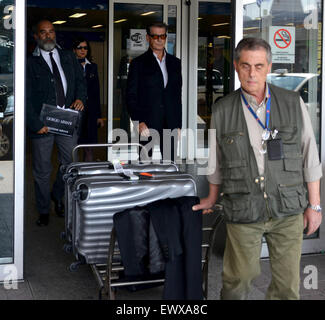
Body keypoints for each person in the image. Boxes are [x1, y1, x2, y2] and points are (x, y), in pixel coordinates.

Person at [193, 37, 322, 300]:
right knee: (237, 282)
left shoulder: (291, 102)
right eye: (246, 66)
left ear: (269, 66)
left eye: (259, 66)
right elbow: (216, 160)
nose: (252, 73)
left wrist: (315, 205)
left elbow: (310, 154)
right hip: (244, 205)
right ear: (237, 67)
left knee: (287, 287)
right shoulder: (222, 109)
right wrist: (211, 196)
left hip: (287, 207)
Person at [26, 20, 87, 226]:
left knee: (69, 165)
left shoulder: (68, 57)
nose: (48, 36)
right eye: (43, 32)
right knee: (42, 170)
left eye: (51, 32)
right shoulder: (29, 62)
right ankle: (43, 210)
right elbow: (24, 96)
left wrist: (81, 99)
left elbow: (80, 82)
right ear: (36, 36)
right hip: (42, 124)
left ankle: (58, 196)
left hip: (66, 121)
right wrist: (35, 123)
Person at [126, 22, 182, 161]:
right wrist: (138, 121)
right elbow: (131, 95)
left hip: (170, 121)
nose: (159, 39)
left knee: (170, 163)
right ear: (147, 38)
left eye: (162, 36)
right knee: (145, 162)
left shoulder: (175, 63)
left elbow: (176, 95)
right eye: (155, 36)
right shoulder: (138, 63)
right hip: (147, 122)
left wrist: (178, 125)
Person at [73, 37, 104, 161]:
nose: (82, 50)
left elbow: (96, 92)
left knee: (89, 146)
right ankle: (74, 172)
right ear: (74, 50)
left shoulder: (93, 67)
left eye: (85, 48)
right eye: (79, 47)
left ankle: (86, 173)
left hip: (90, 112)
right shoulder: (70, 65)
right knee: (73, 145)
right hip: (75, 110)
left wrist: (99, 115)